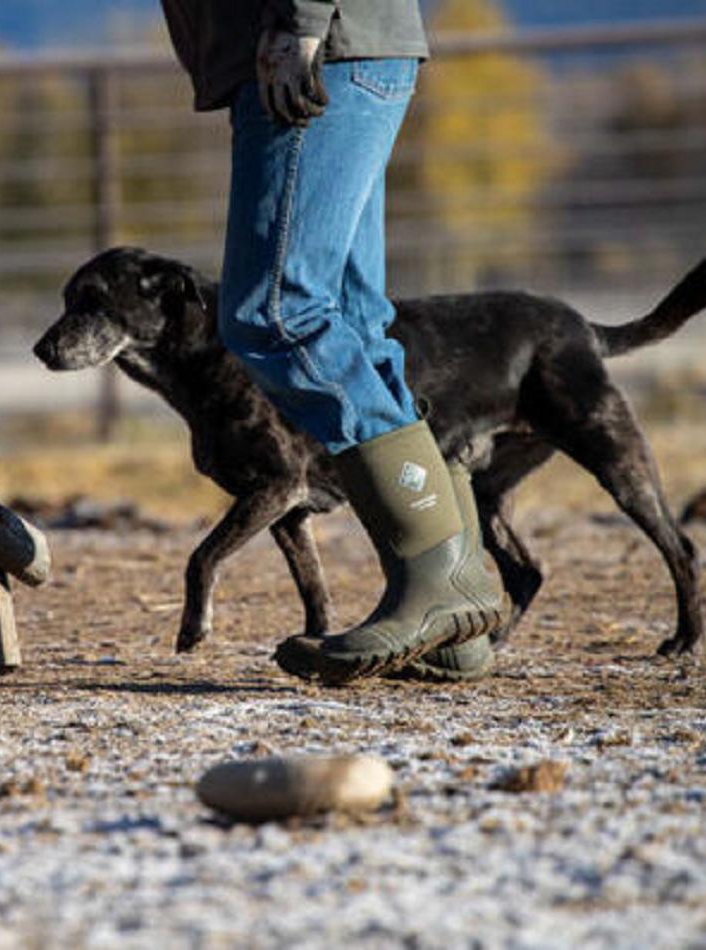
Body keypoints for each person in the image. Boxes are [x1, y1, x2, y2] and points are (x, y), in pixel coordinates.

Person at [161, 0, 506, 684]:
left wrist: (304, 19)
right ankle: (455, 599)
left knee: (276, 311)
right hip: (333, 47)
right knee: (348, 317)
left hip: (309, 45)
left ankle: (438, 577)